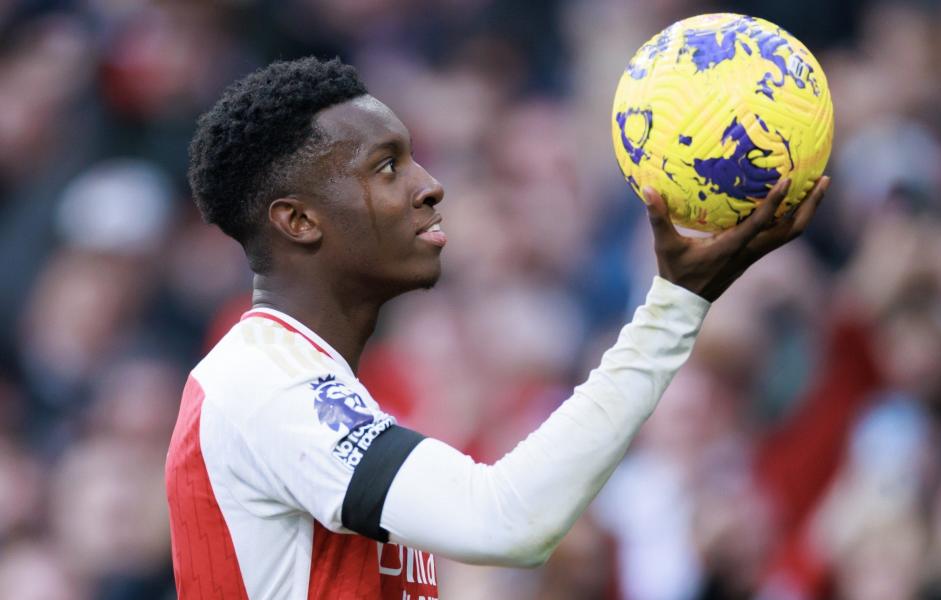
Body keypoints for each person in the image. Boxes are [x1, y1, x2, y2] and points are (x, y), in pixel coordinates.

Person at [164, 56, 829, 600]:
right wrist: (675, 304)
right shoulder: (263, 385)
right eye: (386, 167)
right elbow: (506, 521)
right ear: (300, 222)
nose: (429, 186)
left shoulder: (314, 383)